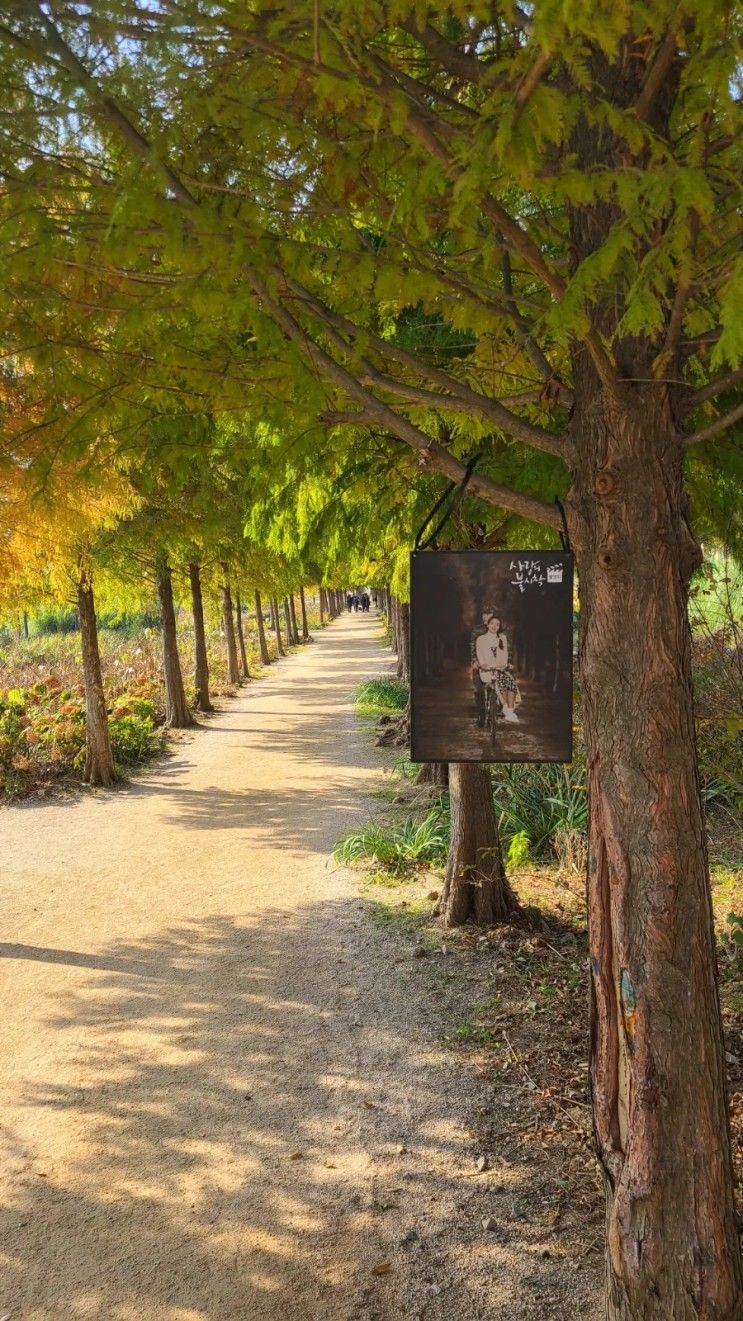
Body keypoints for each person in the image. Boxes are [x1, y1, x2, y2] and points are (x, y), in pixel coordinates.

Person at [476, 615, 520, 723]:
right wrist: (483, 664)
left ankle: (509, 710)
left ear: (499, 627)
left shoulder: (502, 638)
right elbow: (479, 654)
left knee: (510, 681)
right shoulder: (481, 639)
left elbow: (504, 655)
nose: (494, 626)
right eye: (492, 624)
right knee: (500, 681)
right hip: (487, 671)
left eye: (497, 624)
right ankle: (505, 708)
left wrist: (504, 665)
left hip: (499, 669)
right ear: (488, 625)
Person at [470, 606, 497, 727]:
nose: (486, 616)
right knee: (478, 690)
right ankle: (481, 715)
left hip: (494, 665)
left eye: (489, 614)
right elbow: (472, 646)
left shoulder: (499, 630)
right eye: (484, 614)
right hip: (480, 664)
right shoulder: (477, 631)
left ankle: (497, 709)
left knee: (501, 687)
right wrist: (475, 660)